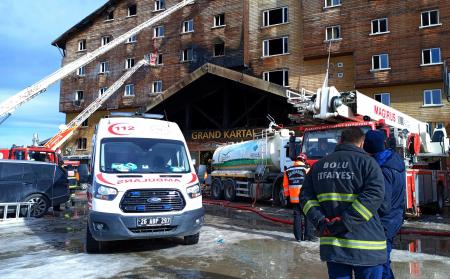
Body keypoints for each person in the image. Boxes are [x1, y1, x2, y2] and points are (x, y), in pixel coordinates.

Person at [300, 127, 387, 279]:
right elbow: (375, 195)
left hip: (334, 245)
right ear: (362, 143)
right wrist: (346, 221)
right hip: (367, 247)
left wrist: (320, 221)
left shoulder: (319, 166)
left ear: (340, 141)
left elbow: (305, 197)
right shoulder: (369, 163)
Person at [364, 130, 406, 279]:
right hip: (395, 218)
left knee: (381, 263)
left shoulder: (382, 169)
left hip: (384, 222)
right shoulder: (394, 160)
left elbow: (383, 204)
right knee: (384, 261)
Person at [283, 154, 315, 241]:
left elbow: (285, 185)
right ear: (304, 160)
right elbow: (311, 184)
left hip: (294, 199)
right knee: (308, 216)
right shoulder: (306, 169)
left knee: (297, 217)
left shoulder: (288, 171)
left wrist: (287, 197)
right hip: (305, 198)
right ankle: (308, 236)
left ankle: (298, 237)